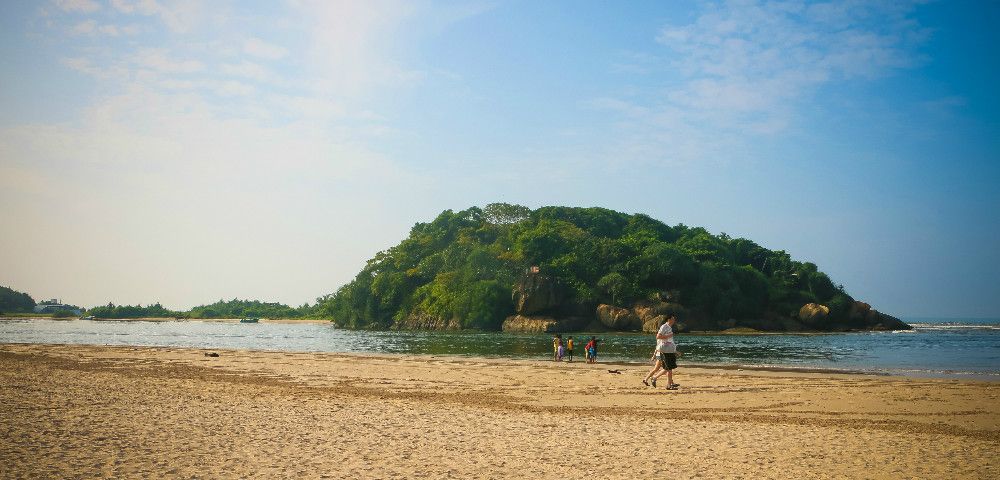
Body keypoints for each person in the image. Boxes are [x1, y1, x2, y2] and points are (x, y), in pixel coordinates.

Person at [642, 315, 680, 390]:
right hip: (663, 351)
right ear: (669, 319)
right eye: (673, 319)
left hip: (668, 350)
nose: (674, 320)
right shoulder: (664, 327)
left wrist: (674, 350)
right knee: (666, 368)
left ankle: (670, 383)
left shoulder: (669, 328)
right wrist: (654, 355)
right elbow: (658, 338)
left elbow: (669, 341)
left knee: (668, 368)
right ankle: (653, 379)